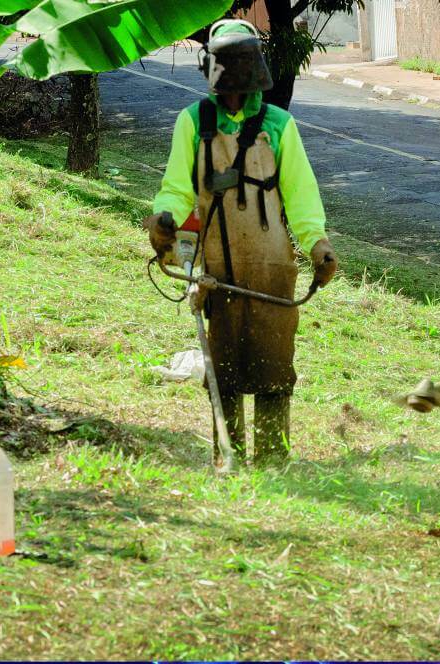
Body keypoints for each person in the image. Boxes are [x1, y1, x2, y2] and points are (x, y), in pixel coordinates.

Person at [143, 20, 337, 466]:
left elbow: (302, 196)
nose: (234, 90)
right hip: (216, 260)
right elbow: (177, 187)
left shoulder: (279, 125)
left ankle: (273, 459)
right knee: (225, 366)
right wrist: (163, 219)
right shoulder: (193, 122)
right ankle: (226, 460)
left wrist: (317, 245)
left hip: (272, 263)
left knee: (273, 362)